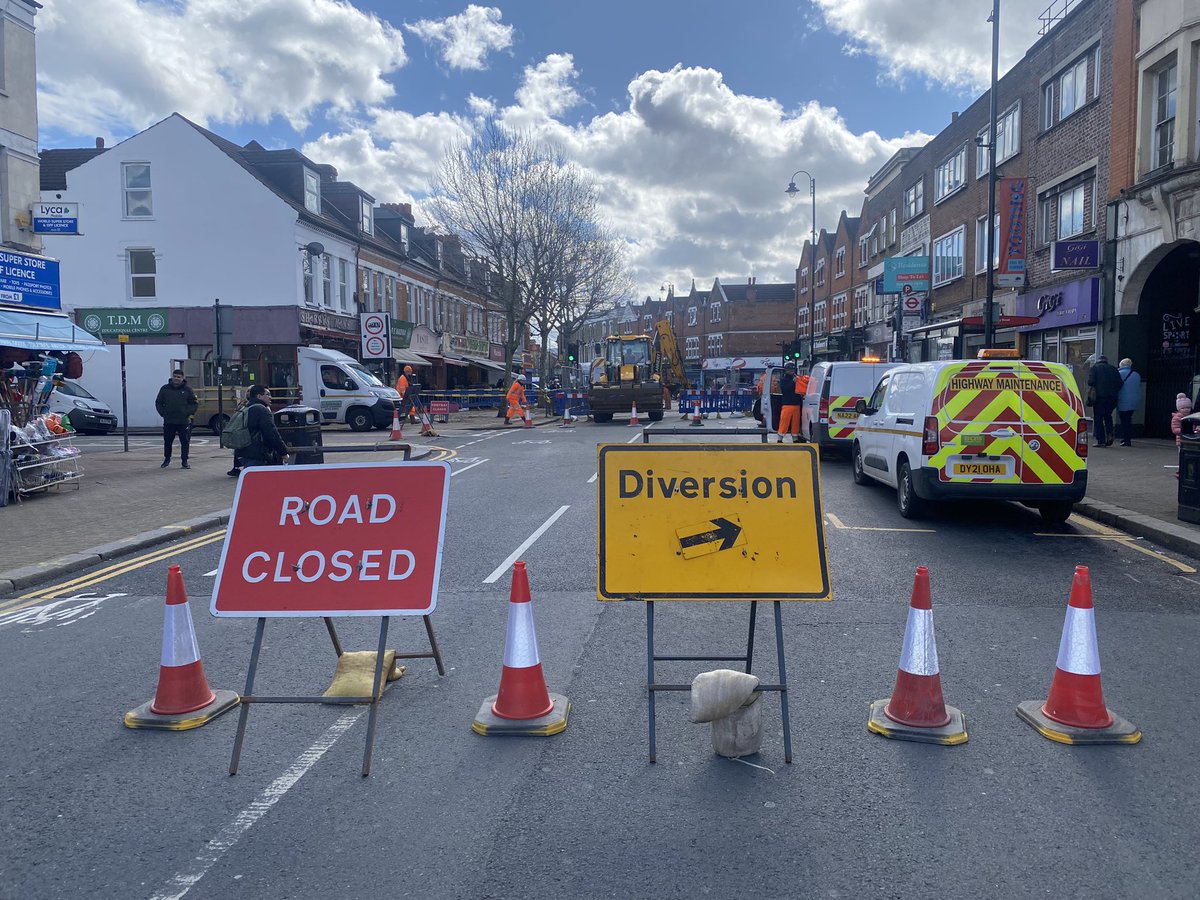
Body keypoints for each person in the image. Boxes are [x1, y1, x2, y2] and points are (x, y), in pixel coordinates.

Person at [155, 369, 198, 469]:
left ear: (182, 378)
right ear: (172, 377)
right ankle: (167, 459)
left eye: (178, 377)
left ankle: (184, 461)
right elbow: (158, 402)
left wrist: (187, 412)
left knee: (185, 442)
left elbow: (194, 404)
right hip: (169, 420)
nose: (176, 379)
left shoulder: (188, 390)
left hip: (183, 421)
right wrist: (163, 413)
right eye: (175, 376)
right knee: (168, 441)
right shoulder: (165, 389)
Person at [239, 385, 289, 468]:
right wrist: (283, 452)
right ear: (259, 396)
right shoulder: (261, 410)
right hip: (257, 454)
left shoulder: (246, 408)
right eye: (268, 394)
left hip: (244, 452)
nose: (270, 397)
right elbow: (271, 434)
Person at [1087, 355, 1123, 447]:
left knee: (1098, 419)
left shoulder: (1094, 368)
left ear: (1098, 361)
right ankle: (1110, 434)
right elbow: (1120, 383)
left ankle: (1101, 440)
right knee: (1108, 416)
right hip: (1112, 398)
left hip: (1099, 398)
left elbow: (1091, 382)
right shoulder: (1114, 369)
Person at [1115, 358, 1142, 447]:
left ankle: (1126, 439)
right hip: (1134, 400)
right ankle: (1127, 438)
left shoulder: (1119, 374)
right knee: (1128, 419)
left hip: (1123, 399)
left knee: (1124, 421)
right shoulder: (1136, 375)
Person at [777, 362, 803, 443]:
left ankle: (795, 438)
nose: (791, 371)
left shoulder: (797, 378)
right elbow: (785, 389)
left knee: (796, 422)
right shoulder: (783, 380)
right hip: (787, 404)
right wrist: (793, 382)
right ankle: (780, 438)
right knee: (784, 422)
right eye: (789, 369)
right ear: (786, 371)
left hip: (797, 404)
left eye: (792, 369)